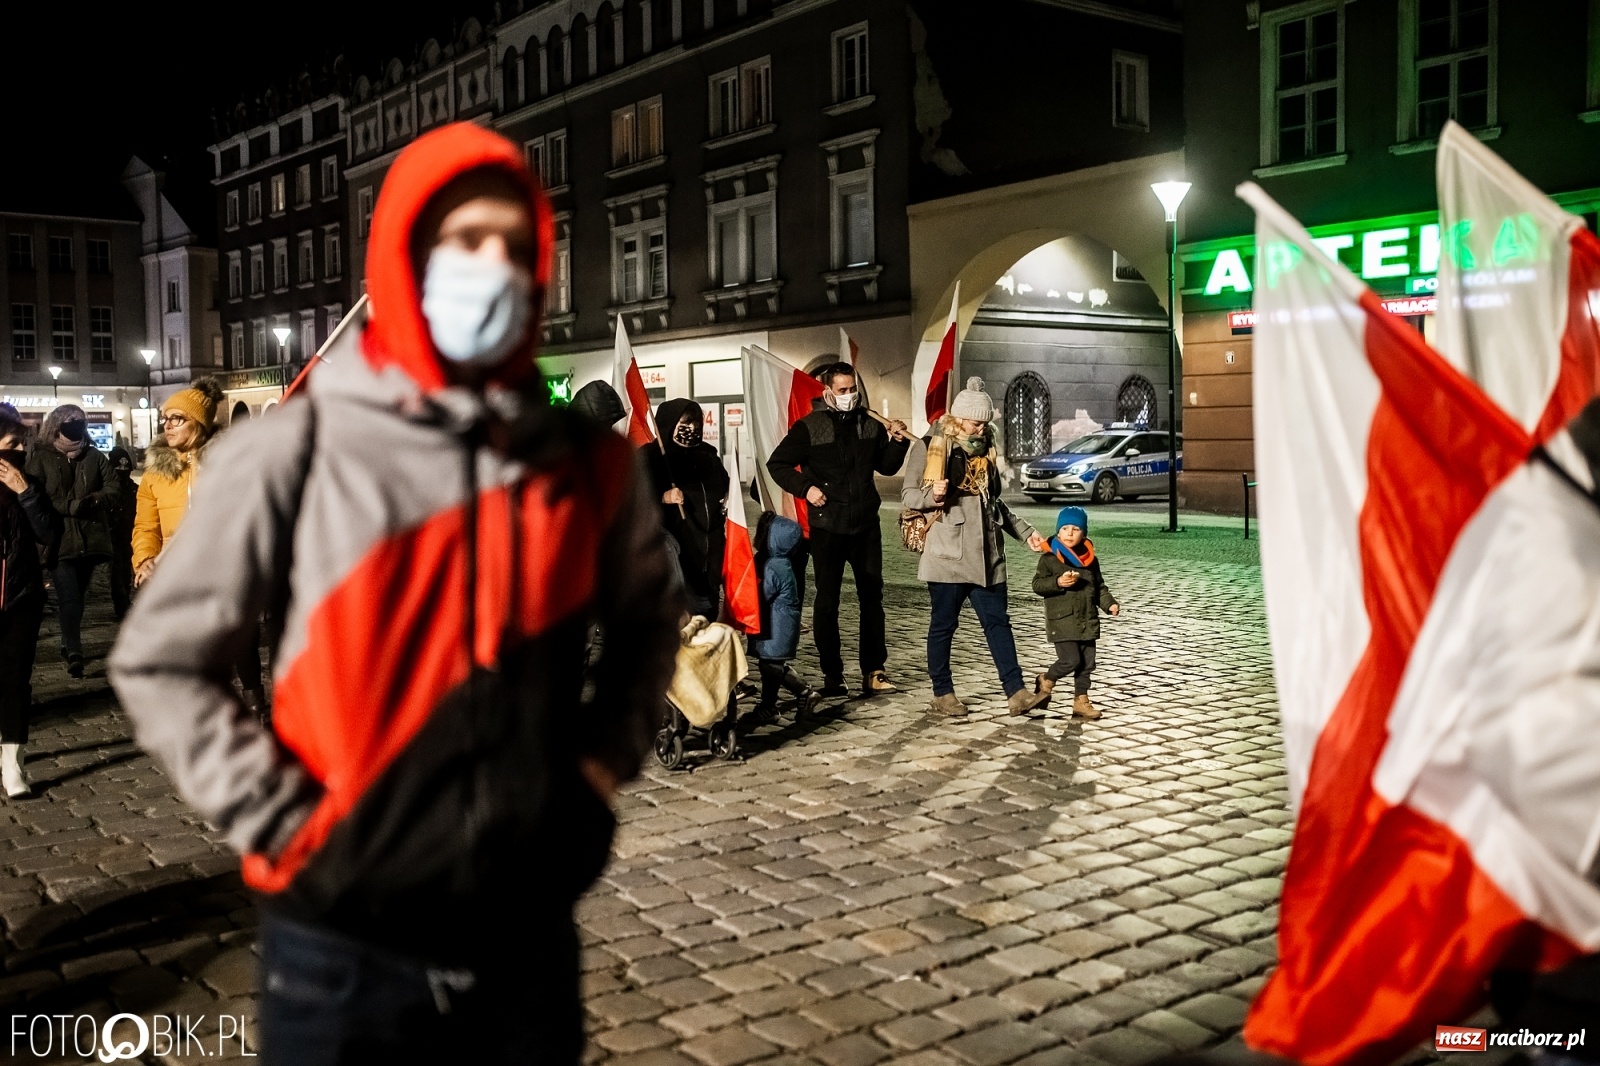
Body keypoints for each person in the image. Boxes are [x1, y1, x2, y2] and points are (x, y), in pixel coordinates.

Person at [109, 122, 682, 1066]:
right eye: (463, 240)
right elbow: (162, 658)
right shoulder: (289, 449)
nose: (490, 265)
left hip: (523, 928)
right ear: (403, 256)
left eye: (513, 243)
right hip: (340, 944)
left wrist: (596, 765)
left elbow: (648, 618)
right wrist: (282, 821)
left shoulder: (588, 464)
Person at [902, 377, 1049, 717]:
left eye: (984, 421)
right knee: (943, 625)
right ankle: (942, 693)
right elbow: (908, 496)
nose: (979, 427)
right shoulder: (930, 447)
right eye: (973, 421)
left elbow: (994, 504)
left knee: (998, 623)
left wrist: (1024, 532)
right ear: (956, 419)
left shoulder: (988, 451)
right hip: (947, 555)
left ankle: (1017, 693)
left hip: (988, 556)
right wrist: (932, 495)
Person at [767, 362, 910, 697]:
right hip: (827, 527)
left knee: (872, 599)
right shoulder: (810, 427)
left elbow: (886, 466)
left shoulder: (869, 424)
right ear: (827, 392)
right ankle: (833, 675)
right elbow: (778, 464)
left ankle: (874, 670)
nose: (849, 396)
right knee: (827, 602)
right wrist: (806, 488)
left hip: (865, 527)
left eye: (852, 390)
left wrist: (897, 442)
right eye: (842, 390)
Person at [131, 379, 271, 720]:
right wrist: (145, 559)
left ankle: (255, 704)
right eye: (166, 418)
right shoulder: (156, 473)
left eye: (178, 418)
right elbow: (145, 526)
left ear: (200, 423)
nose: (168, 425)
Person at [26, 404, 116, 678]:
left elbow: (113, 487)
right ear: (56, 425)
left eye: (79, 421)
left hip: (91, 540)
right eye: (69, 421)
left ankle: (67, 641)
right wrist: (71, 506)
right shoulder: (41, 458)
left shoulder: (94, 456)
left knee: (79, 595)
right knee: (70, 597)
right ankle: (75, 650)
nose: (75, 425)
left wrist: (96, 499)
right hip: (58, 540)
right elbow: (36, 496)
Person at [0, 410, 59, 798]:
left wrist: (25, 492)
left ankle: (12, 764)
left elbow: (50, 532)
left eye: (23, 443)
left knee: (15, 680)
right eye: (13, 445)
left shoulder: (29, 483)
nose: (22, 450)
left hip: (22, 595)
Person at [642, 398, 728, 620]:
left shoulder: (708, 456)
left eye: (697, 424)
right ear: (670, 423)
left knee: (707, 620)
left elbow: (724, 484)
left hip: (710, 555)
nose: (693, 429)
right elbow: (631, 500)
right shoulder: (651, 457)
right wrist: (662, 496)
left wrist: (727, 498)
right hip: (676, 560)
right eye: (686, 423)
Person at [1030, 506, 1119, 719]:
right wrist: (1058, 582)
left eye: (1076, 529)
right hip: (1062, 621)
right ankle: (1046, 679)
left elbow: (1099, 587)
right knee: (1070, 660)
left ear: (1084, 533)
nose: (1070, 533)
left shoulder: (1090, 560)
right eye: (1065, 528)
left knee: (1087, 664)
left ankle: (1081, 700)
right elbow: (1037, 584)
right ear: (1058, 531)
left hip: (1087, 620)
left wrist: (1109, 604)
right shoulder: (1050, 558)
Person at [744, 512, 822, 728]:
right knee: (770, 666)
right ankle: (769, 706)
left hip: (776, 628)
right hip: (777, 626)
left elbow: (761, 595)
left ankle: (804, 691)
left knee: (772, 667)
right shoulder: (778, 562)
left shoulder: (774, 567)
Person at [106, 447, 137, 620]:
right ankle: (122, 604)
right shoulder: (110, 490)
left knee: (125, 571)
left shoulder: (134, 489)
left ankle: (124, 603)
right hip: (115, 535)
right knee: (118, 572)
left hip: (130, 534)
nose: (123, 473)